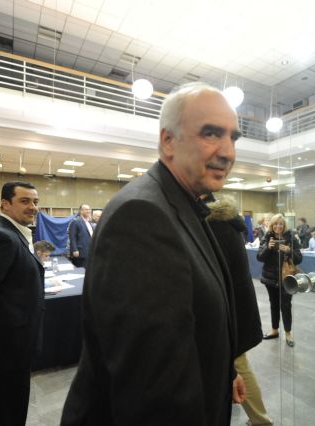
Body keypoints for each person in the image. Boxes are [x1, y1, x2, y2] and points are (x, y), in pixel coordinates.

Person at [60, 82, 242, 425]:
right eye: (211, 133)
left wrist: (224, 373)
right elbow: (157, 395)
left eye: (234, 137)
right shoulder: (142, 215)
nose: (228, 152)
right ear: (168, 140)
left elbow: (195, 323)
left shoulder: (181, 203)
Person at [0, 181, 44, 426]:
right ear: (5, 205)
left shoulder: (14, 233)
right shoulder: (2, 236)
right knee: (4, 410)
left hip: (14, 344)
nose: (33, 207)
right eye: (25, 201)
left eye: (35, 202)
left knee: (8, 406)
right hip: (7, 346)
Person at [205, 194, 272, 426]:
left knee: (238, 365)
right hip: (235, 310)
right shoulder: (225, 223)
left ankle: (261, 421)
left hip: (228, 313)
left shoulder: (214, 226)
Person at [257, 213, 302, 348]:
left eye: (281, 224)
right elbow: (259, 257)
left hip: (286, 279)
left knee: (286, 305)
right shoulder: (267, 237)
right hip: (270, 278)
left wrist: (289, 251)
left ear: (284, 225)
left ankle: (288, 333)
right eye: (275, 224)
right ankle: (274, 330)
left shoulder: (291, 238)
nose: (278, 226)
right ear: (272, 225)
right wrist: (268, 248)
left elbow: (299, 259)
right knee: (274, 304)